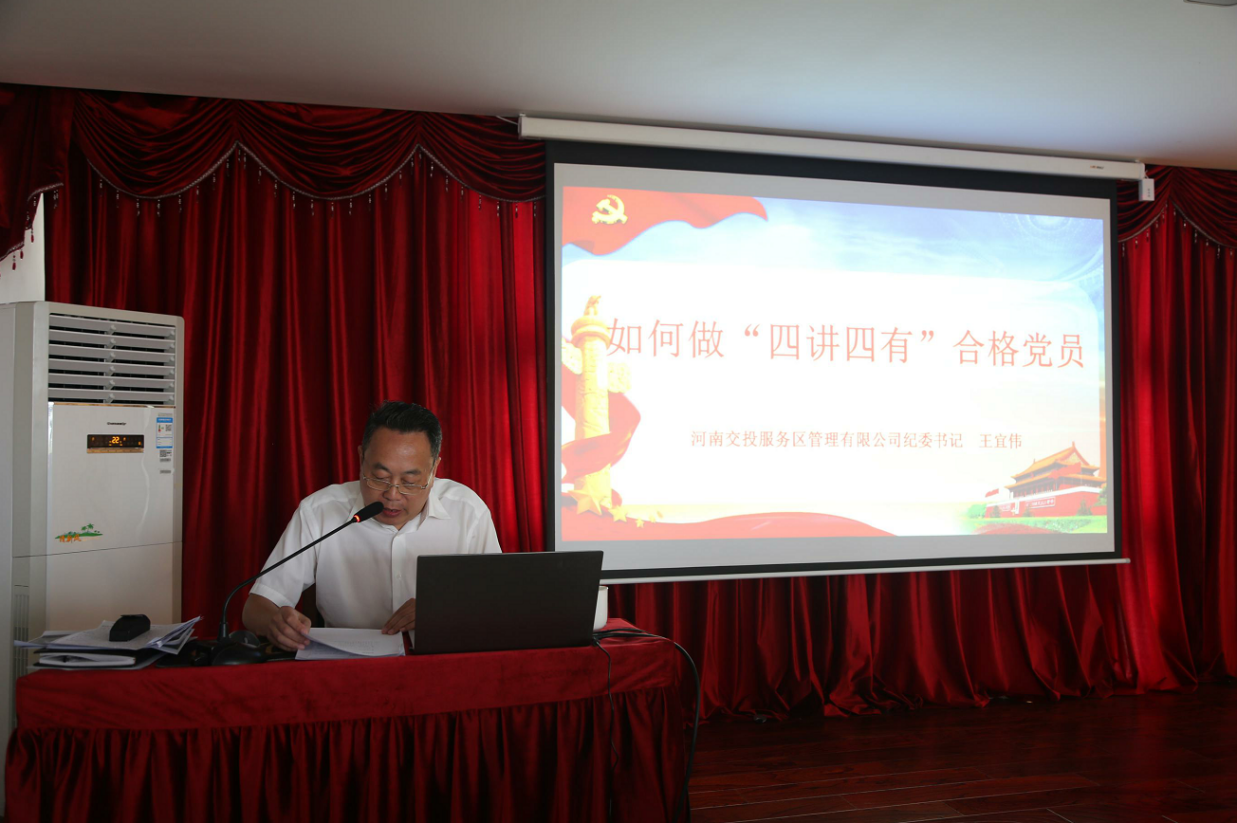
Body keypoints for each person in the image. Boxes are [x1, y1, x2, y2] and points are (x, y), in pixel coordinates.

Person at [242, 401, 501, 651]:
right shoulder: (319, 512)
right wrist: (276, 623)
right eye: (379, 478)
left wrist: (444, 610)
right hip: (349, 667)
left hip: (440, 664)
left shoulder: (468, 512)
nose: (392, 495)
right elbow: (256, 607)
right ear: (361, 458)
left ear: (434, 471)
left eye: (410, 482)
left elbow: (500, 605)